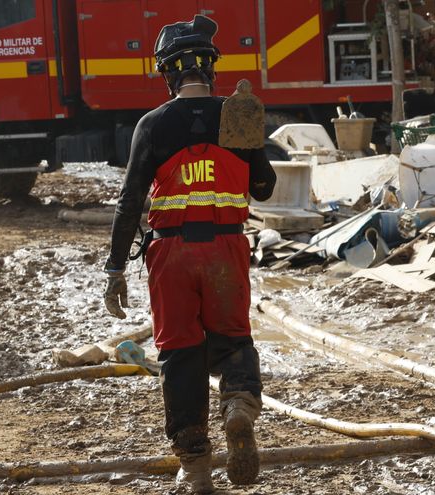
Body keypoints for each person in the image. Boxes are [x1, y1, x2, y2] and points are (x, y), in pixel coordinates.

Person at [101, 15, 276, 494]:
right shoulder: (235, 114)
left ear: (167, 72)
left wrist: (116, 268)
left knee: (180, 356)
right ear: (210, 68)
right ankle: (238, 405)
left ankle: (197, 470)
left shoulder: (152, 124)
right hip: (226, 248)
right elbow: (264, 188)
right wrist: (248, 140)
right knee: (234, 341)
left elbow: (130, 200)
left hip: (171, 254)